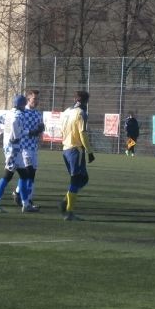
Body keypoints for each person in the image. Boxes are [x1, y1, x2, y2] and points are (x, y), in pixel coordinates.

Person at [0, 94, 38, 213]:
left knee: (24, 175)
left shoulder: (8, 113)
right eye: (24, 104)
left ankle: (25, 204)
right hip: (14, 149)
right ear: (21, 105)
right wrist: (16, 136)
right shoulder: (19, 114)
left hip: (11, 148)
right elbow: (15, 125)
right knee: (7, 176)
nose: (24, 107)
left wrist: (1, 133)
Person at [59, 90, 95, 221]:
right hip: (76, 150)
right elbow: (83, 133)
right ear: (86, 101)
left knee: (83, 179)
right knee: (76, 180)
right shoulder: (81, 113)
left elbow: (61, 129)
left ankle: (66, 201)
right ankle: (69, 211)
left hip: (66, 149)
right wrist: (89, 151)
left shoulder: (66, 111)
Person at [11, 88, 44, 208]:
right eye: (34, 98)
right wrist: (30, 132)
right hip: (24, 147)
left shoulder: (38, 114)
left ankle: (19, 193)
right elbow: (19, 129)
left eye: (38, 99)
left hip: (33, 147)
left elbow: (39, 128)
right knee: (28, 173)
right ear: (28, 99)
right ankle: (27, 200)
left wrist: (41, 129)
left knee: (32, 174)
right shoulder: (23, 113)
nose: (36, 101)